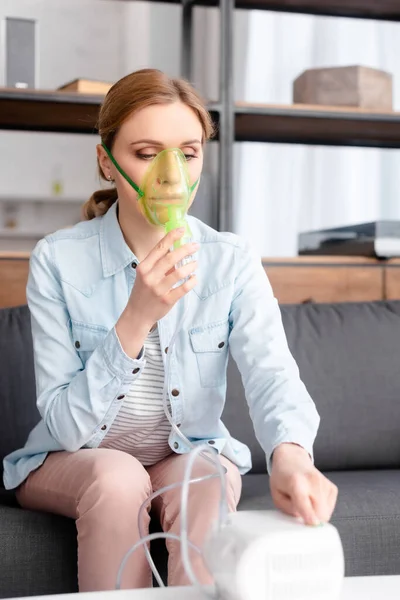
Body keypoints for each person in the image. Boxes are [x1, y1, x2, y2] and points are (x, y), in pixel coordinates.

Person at [3, 69, 337, 592]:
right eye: (145, 152)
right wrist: (137, 315)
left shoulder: (230, 260)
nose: (170, 174)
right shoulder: (58, 260)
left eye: (187, 152)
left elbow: (272, 372)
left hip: (184, 453)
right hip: (72, 459)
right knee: (117, 478)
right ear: (106, 162)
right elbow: (67, 429)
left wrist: (291, 456)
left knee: (205, 475)